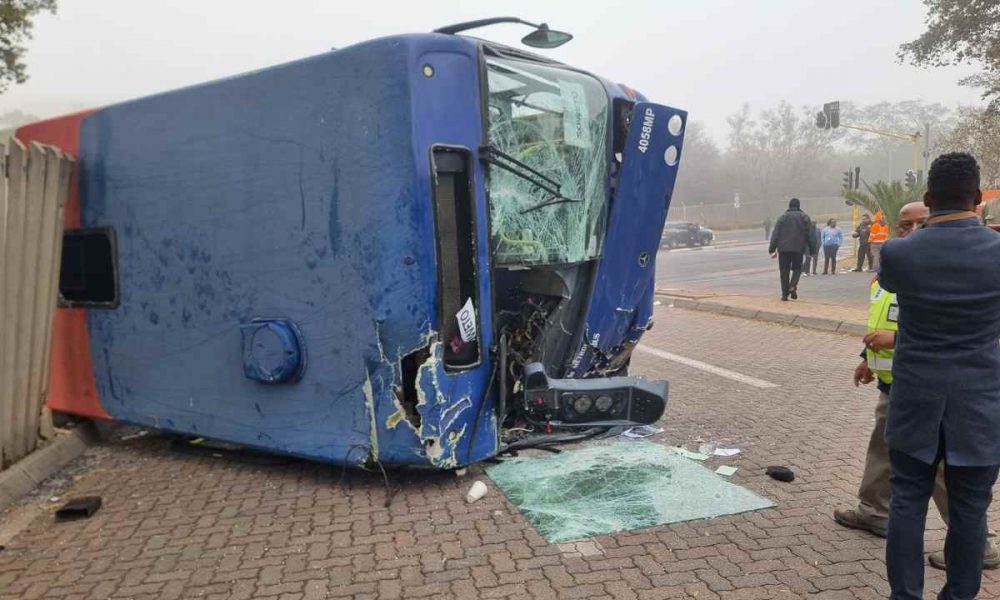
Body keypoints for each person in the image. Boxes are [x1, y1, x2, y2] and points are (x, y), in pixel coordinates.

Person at [833, 200, 999, 572]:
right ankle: (874, 511)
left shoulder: (945, 272)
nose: (909, 232)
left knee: (940, 467)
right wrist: (867, 358)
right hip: (896, 384)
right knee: (881, 449)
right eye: (903, 225)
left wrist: (893, 341)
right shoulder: (898, 266)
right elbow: (882, 318)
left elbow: (950, 332)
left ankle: (977, 543)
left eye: (918, 224)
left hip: (931, 391)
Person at [880, 152, 1000, 599]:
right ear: (979, 196)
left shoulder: (898, 252)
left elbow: (890, 286)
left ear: (928, 199)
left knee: (907, 504)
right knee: (971, 508)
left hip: (915, 399)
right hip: (980, 403)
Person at [768, 198, 811, 301]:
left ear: (789, 205)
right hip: (798, 249)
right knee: (797, 269)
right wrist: (812, 249)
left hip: (783, 249)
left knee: (784, 271)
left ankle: (784, 294)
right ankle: (792, 286)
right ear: (799, 206)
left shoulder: (782, 217)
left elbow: (776, 234)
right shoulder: (804, 217)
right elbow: (810, 234)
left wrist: (772, 249)